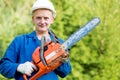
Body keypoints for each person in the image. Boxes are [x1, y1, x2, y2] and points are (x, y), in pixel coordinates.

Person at [0, 0, 72, 80]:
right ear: (33, 19)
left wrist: (59, 58)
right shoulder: (20, 41)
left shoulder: (59, 44)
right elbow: (3, 66)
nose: (42, 21)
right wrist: (19, 67)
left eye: (46, 18)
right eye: (38, 18)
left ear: (52, 19)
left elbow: (65, 72)